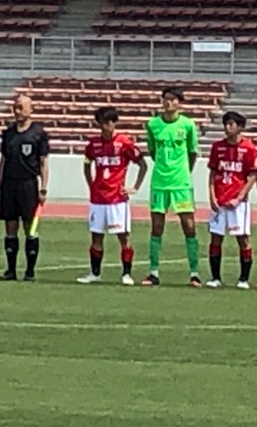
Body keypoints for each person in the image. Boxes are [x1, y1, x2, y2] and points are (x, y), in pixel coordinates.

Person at [79, 106, 147, 285]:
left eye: (107, 123)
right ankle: (95, 273)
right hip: (98, 199)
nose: (104, 127)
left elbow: (143, 165)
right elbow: (86, 163)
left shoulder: (124, 143)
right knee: (96, 236)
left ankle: (126, 274)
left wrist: (134, 187)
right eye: (101, 123)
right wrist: (90, 183)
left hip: (117, 199)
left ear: (113, 123)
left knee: (123, 237)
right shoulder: (93, 144)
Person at [142, 85, 201, 287]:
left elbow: (192, 152)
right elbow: (152, 150)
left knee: (189, 226)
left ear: (179, 103)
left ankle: (194, 273)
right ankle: (154, 272)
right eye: (165, 98)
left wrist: (185, 172)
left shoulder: (188, 125)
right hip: (159, 182)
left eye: (173, 99)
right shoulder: (152, 125)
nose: (168, 102)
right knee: (157, 226)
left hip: (181, 183)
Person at [0, 93, 49, 282]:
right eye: (15, 107)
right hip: (9, 184)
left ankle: (30, 271)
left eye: (21, 107)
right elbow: (2, 161)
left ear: (30, 110)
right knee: (10, 226)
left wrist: (43, 188)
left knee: (29, 228)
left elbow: (43, 162)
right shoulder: (8, 133)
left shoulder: (38, 133)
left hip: (28, 184)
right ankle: (10, 269)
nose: (17, 111)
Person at [206, 111, 257, 290]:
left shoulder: (249, 148)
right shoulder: (217, 147)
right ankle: (215, 278)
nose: (227, 127)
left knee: (243, 239)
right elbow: (213, 174)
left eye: (231, 124)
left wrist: (240, 197)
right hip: (219, 202)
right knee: (215, 238)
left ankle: (243, 278)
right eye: (226, 124)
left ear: (240, 127)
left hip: (238, 204)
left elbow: (252, 175)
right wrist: (212, 196)